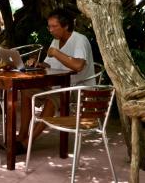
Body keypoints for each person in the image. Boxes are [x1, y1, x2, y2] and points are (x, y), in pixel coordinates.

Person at [16, 8, 95, 153]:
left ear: (65, 26)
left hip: (78, 87)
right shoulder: (55, 40)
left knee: (53, 98)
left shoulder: (79, 40)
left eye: (54, 26)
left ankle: (28, 142)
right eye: (49, 26)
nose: (50, 30)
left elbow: (78, 66)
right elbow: (49, 64)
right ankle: (21, 136)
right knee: (26, 91)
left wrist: (57, 53)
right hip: (57, 84)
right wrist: (38, 64)